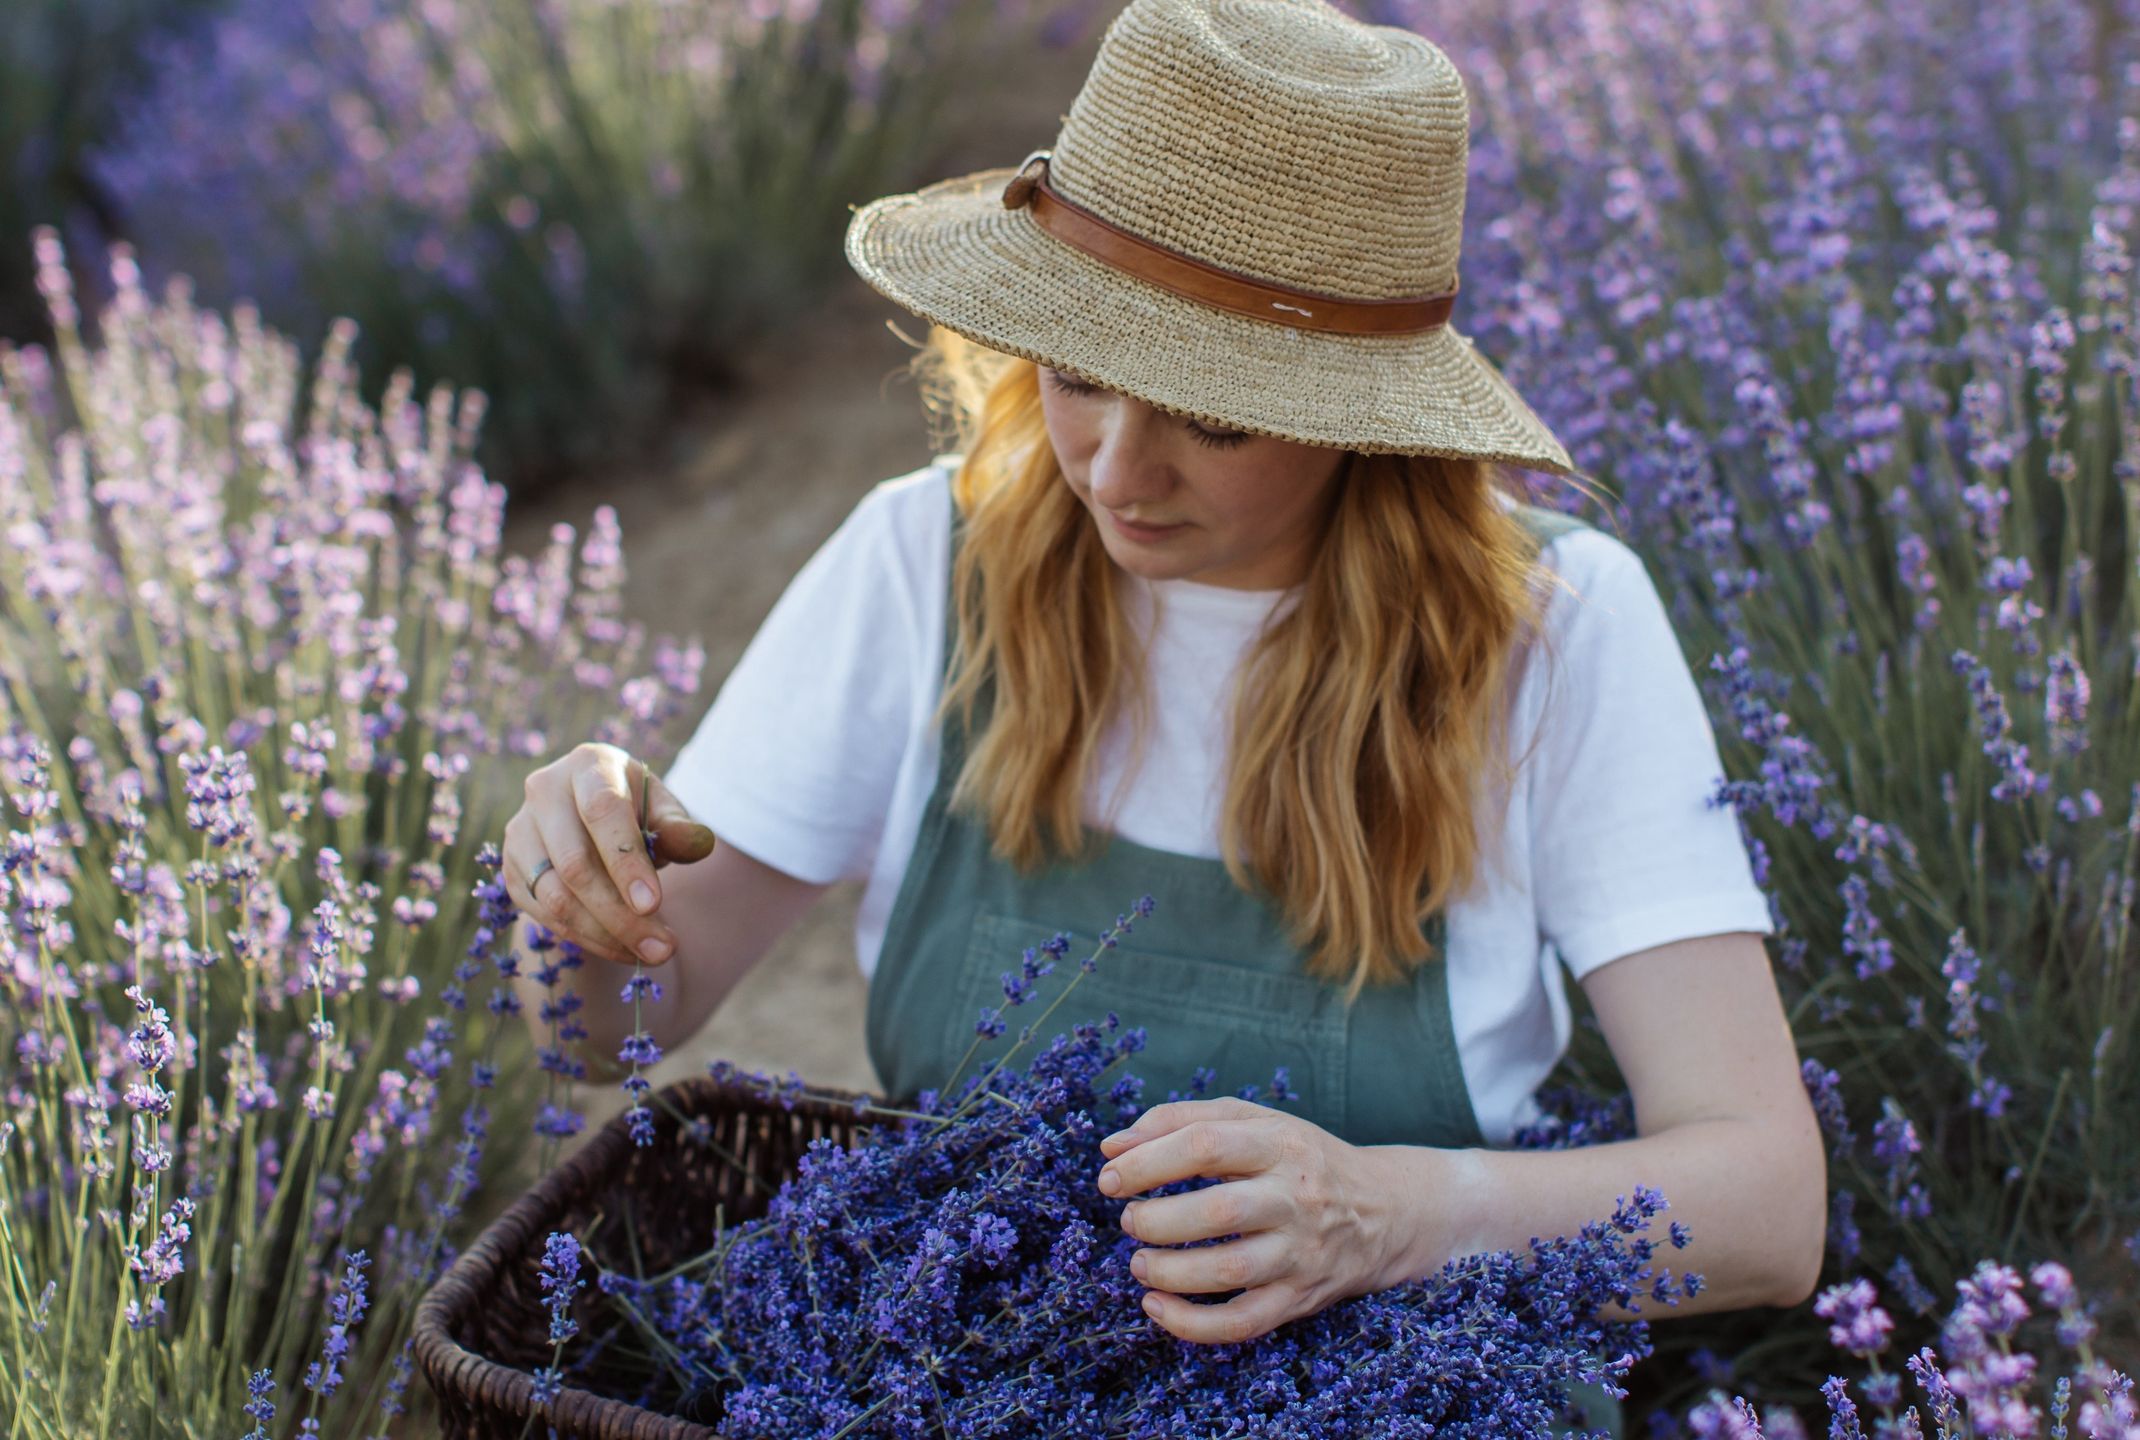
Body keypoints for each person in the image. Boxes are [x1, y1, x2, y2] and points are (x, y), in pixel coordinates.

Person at [505, 0, 1825, 1427]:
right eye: (1077, 375)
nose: (1117, 470)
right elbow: (606, 1036)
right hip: (952, 1376)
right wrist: (581, 896)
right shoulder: (922, 562)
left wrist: (1387, 1212)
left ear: (1363, 414)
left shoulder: (1556, 636)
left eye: (1212, 418)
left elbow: (1766, 1202)